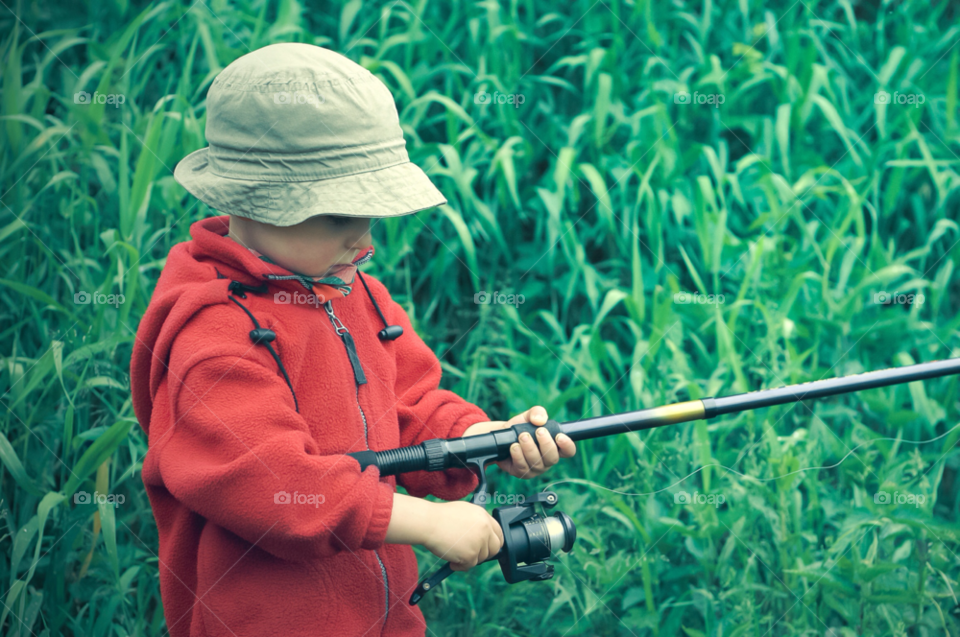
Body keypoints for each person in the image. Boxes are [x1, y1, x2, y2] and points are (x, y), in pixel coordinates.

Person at [129, 42, 576, 637]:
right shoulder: (211, 334)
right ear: (253, 201)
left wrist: (476, 439)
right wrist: (419, 520)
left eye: (371, 213)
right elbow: (273, 483)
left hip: (387, 619)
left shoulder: (356, 292)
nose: (364, 239)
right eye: (339, 215)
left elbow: (408, 407)